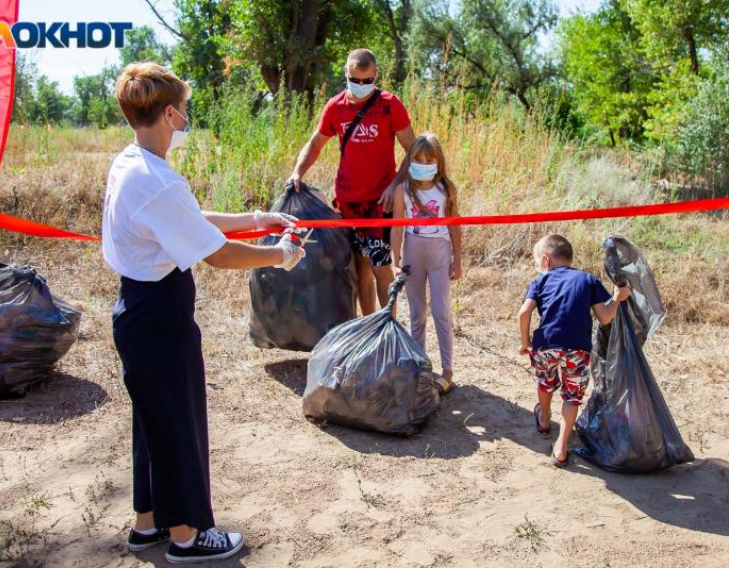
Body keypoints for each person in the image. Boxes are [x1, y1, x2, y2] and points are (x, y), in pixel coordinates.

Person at [103, 62, 305, 564]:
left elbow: (188, 220)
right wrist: (279, 254)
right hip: (160, 316)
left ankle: (147, 526)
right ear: (169, 113)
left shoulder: (132, 163)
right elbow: (215, 253)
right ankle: (188, 537)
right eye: (185, 111)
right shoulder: (157, 179)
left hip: (137, 308)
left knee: (154, 422)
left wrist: (257, 220)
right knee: (177, 424)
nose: (186, 119)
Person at [288, 48, 415, 315]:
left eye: (366, 81)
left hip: (381, 203)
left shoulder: (389, 105)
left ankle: (387, 330)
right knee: (360, 271)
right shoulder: (335, 107)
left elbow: (413, 150)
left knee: (382, 270)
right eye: (354, 80)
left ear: (375, 75)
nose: (360, 86)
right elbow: (315, 143)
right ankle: (367, 333)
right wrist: (298, 172)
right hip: (347, 203)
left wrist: (395, 185)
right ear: (346, 74)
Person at [517, 234, 630, 468]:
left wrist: (525, 341)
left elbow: (524, 313)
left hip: (545, 345)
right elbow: (605, 316)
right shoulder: (588, 280)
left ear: (546, 260)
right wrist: (618, 297)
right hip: (578, 349)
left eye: (537, 262)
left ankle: (545, 418)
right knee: (572, 395)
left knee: (546, 383)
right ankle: (561, 447)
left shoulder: (539, 282)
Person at [391, 133, 462, 394]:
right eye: (418, 158)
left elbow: (455, 227)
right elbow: (397, 228)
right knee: (417, 313)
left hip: (439, 252)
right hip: (413, 252)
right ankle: (419, 367)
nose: (423, 163)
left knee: (441, 311)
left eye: (429, 159)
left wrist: (458, 260)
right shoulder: (403, 190)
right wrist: (394, 261)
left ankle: (447, 371)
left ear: (438, 161)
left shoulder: (447, 189)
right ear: (410, 160)